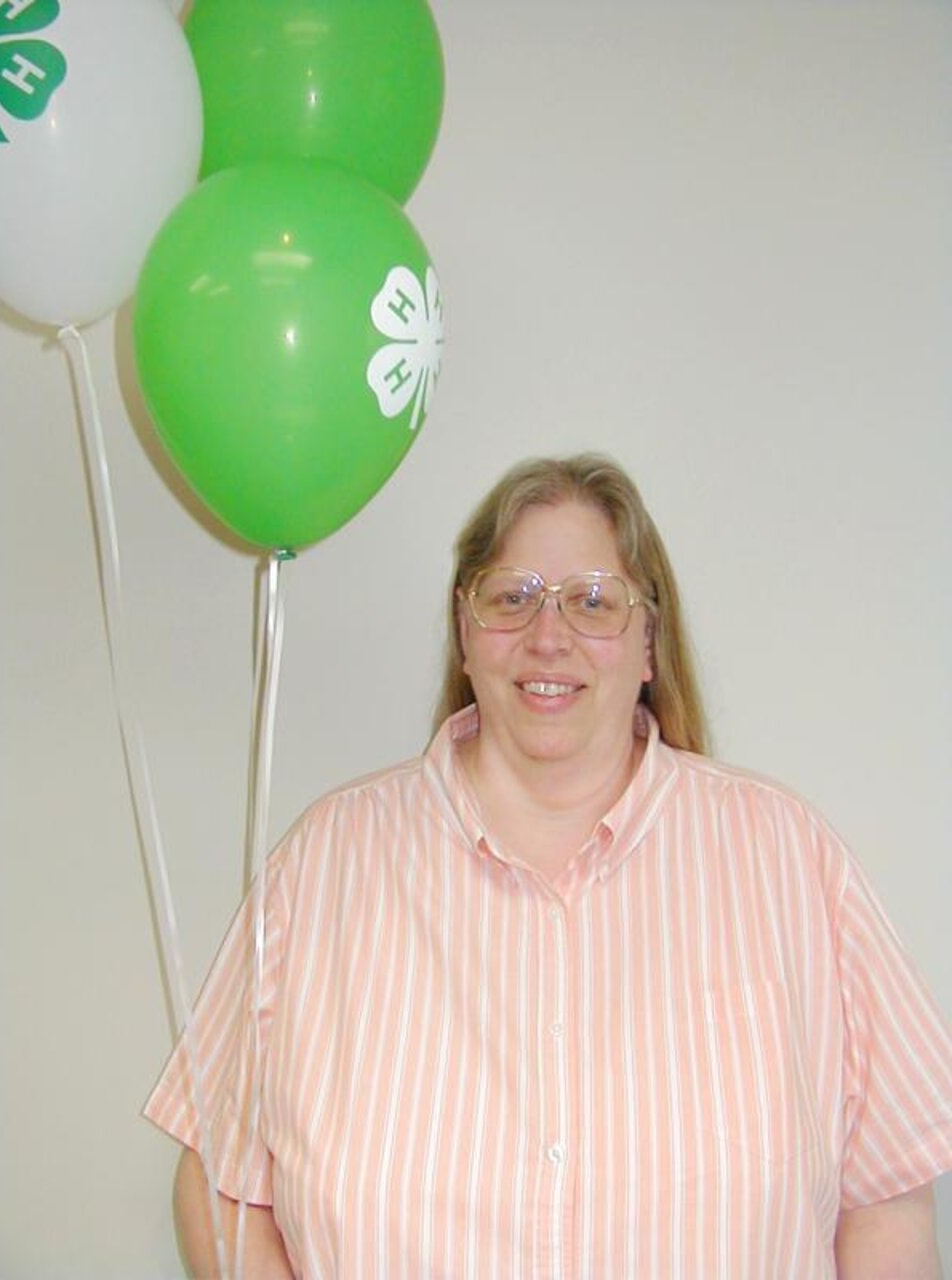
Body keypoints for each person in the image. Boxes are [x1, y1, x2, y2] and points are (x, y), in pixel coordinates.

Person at [146, 454, 952, 1279]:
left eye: (594, 601)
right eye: (512, 596)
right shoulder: (323, 868)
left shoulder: (790, 861)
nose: (549, 635)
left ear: (649, 642)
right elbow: (220, 1186)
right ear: (465, 633)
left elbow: (884, 1201)